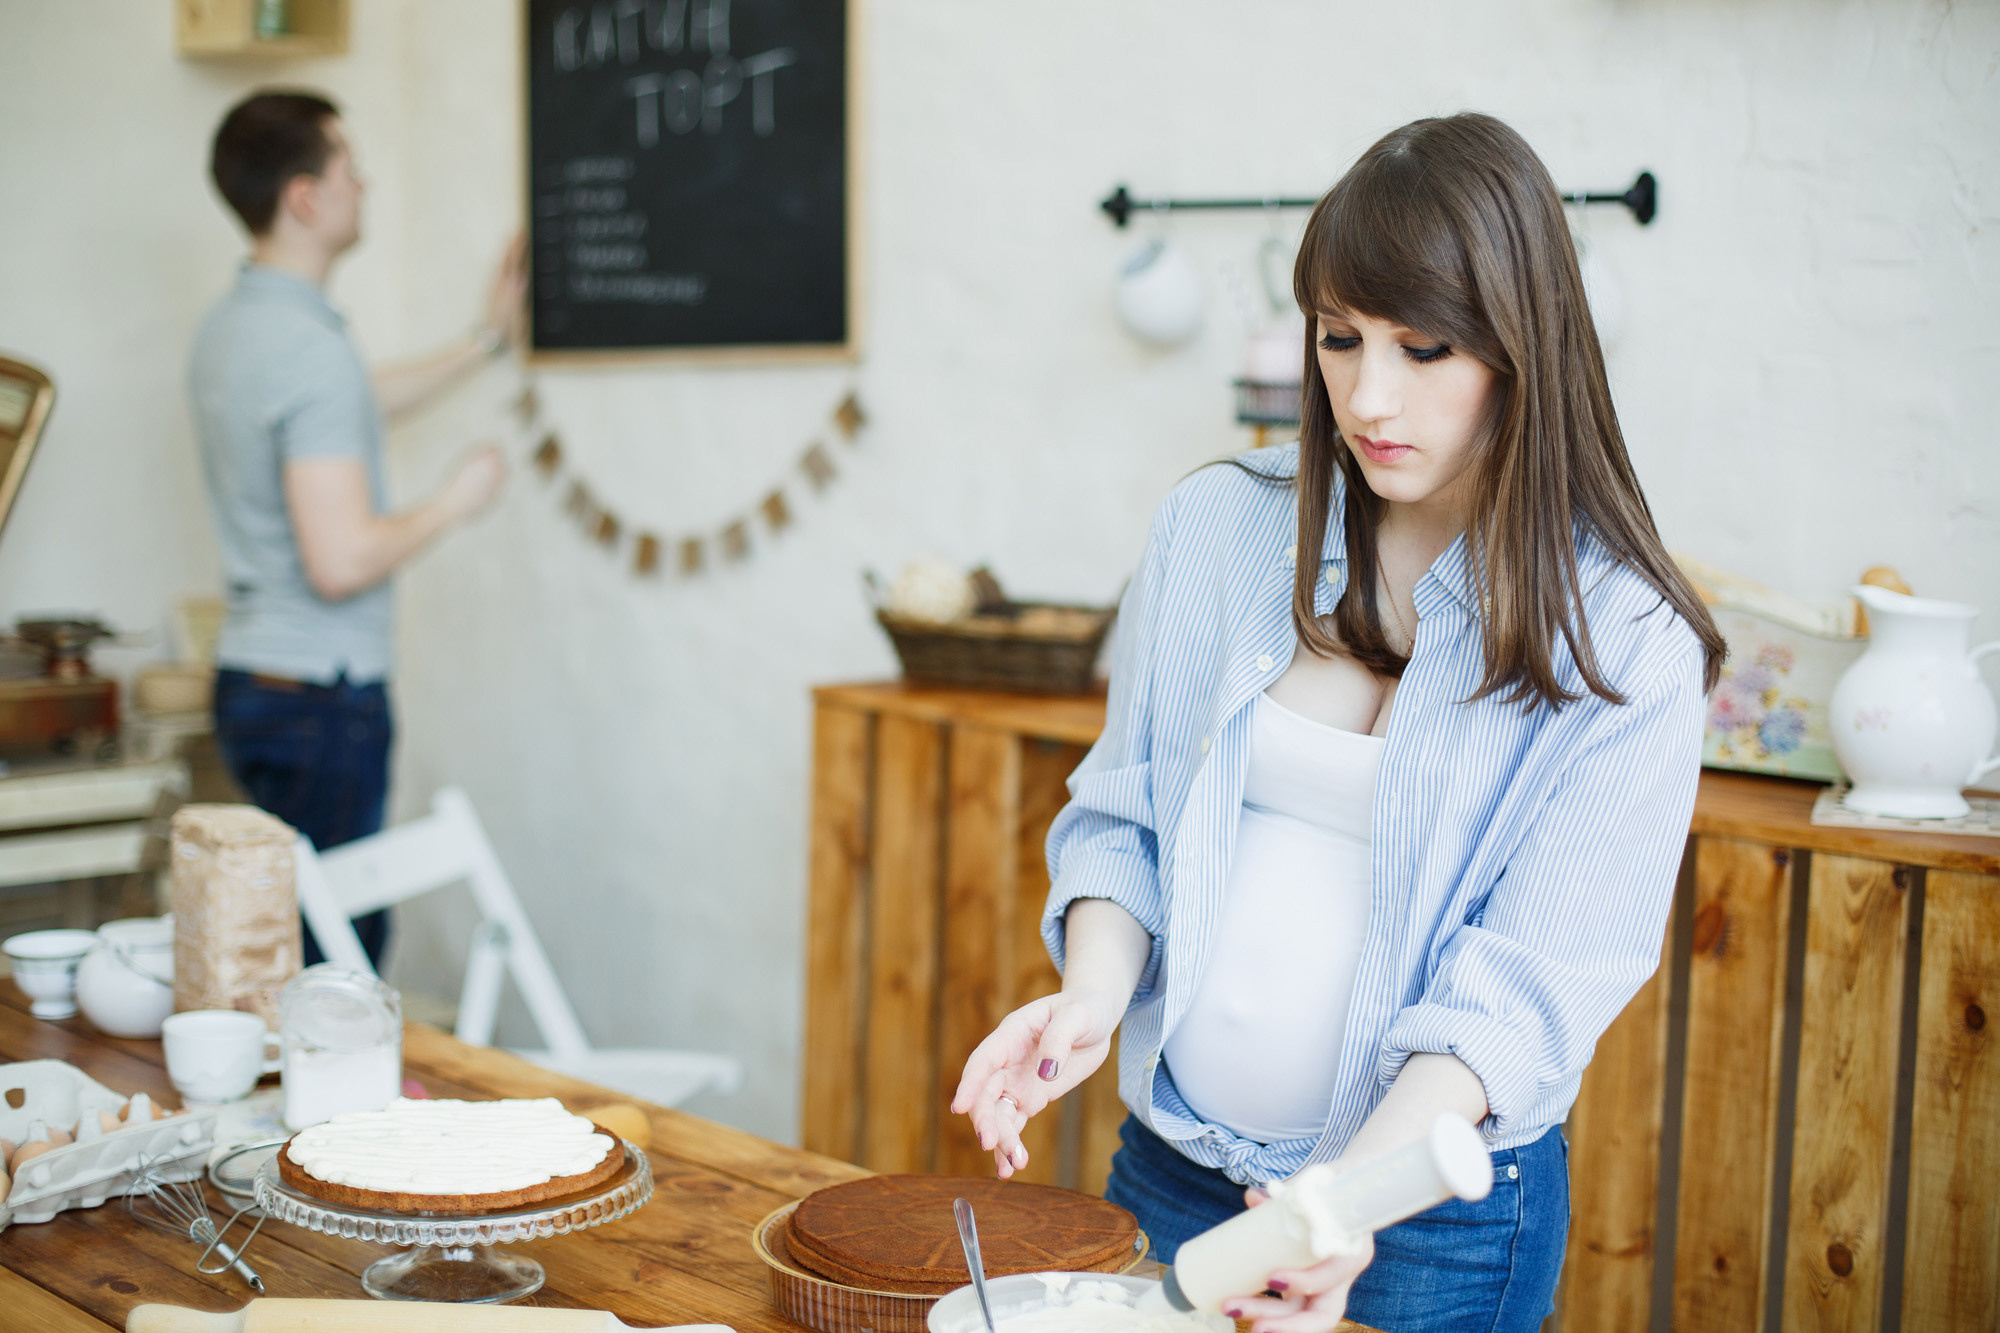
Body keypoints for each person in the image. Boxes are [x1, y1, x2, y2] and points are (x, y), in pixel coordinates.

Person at [951, 113, 1725, 1333]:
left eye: (1424, 348)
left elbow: (1517, 996)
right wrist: (1090, 996)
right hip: (1171, 1163)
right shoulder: (1216, 525)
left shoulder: (1623, 640)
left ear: (1524, 346)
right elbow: (1125, 813)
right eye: (1337, 337)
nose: (1368, 396)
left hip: (1426, 1228)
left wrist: (1336, 1206)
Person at [190, 90, 522, 967]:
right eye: (349, 168)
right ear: (305, 197)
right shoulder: (311, 351)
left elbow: (348, 405)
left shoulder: (236, 329)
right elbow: (338, 561)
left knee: (276, 950)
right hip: (322, 701)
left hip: (255, 684)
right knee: (333, 970)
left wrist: (484, 342)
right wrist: (456, 500)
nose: (364, 184)